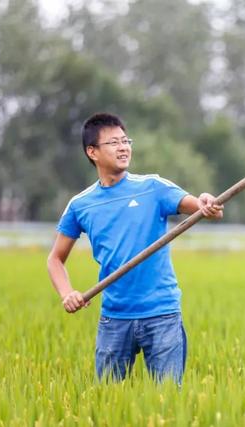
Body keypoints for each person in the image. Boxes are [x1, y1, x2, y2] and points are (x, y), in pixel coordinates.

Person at [47, 112, 223, 385]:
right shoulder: (81, 205)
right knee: (107, 403)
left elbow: (196, 205)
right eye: (114, 142)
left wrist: (206, 203)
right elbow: (56, 259)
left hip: (162, 314)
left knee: (167, 404)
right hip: (114, 318)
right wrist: (67, 293)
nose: (124, 147)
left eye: (126, 140)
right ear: (92, 152)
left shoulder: (153, 187)